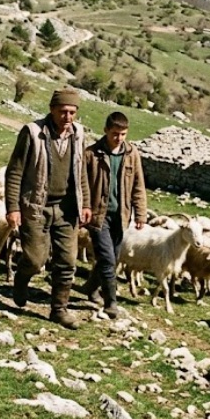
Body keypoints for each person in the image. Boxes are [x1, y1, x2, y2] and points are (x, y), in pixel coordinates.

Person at [4, 87, 91, 330]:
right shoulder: (32, 133)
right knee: (35, 259)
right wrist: (13, 207)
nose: (68, 117)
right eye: (63, 111)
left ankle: (59, 310)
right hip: (36, 206)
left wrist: (86, 204)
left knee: (67, 261)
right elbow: (15, 172)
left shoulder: (79, 134)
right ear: (52, 110)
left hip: (67, 208)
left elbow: (80, 170)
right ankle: (22, 278)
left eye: (72, 112)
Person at [77, 112, 147, 319]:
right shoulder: (91, 154)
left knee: (113, 257)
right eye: (115, 133)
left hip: (121, 215)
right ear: (106, 130)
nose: (119, 138)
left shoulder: (132, 154)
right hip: (99, 216)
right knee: (107, 259)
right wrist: (85, 208)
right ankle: (111, 301)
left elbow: (138, 185)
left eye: (123, 134)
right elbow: (83, 185)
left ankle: (90, 287)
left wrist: (140, 212)